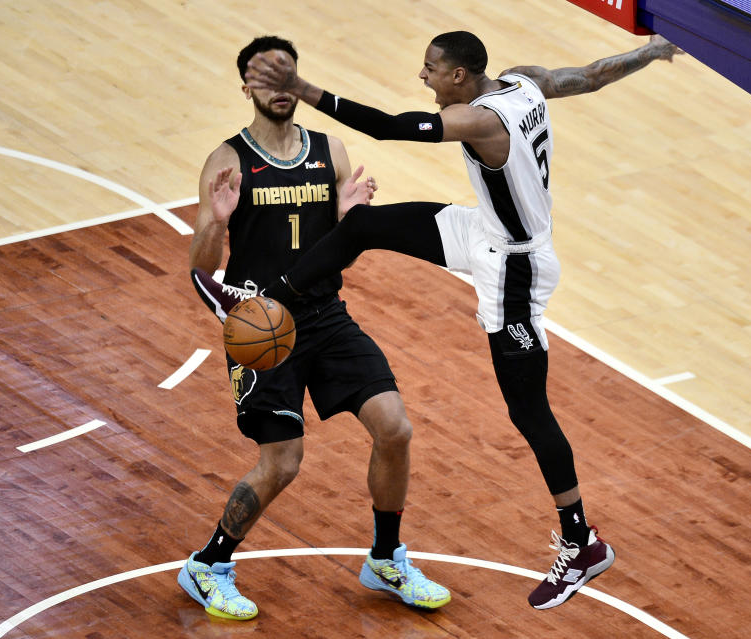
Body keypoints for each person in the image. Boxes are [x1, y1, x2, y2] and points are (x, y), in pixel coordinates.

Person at [209, 30, 682, 610]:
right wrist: (650, 51)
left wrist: (304, 89)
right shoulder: (524, 81)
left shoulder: (482, 121)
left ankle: (581, 541)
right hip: (485, 231)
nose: (423, 77)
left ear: (460, 77)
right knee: (363, 226)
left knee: (527, 410)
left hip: (513, 267)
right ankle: (271, 298)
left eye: (431, 69)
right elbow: (587, 76)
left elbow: (387, 126)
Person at [179, 35, 450, 621]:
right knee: (283, 462)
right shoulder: (228, 159)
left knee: (395, 428)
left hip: (326, 317)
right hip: (264, 328)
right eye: (265, 80)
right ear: (247, 87)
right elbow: (200, 271)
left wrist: (350, 221)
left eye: (287, 79)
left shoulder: (330, 151)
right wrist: (217, 223)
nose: (278, 91)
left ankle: (384, 558)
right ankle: (208, 564)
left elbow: (338, 254)